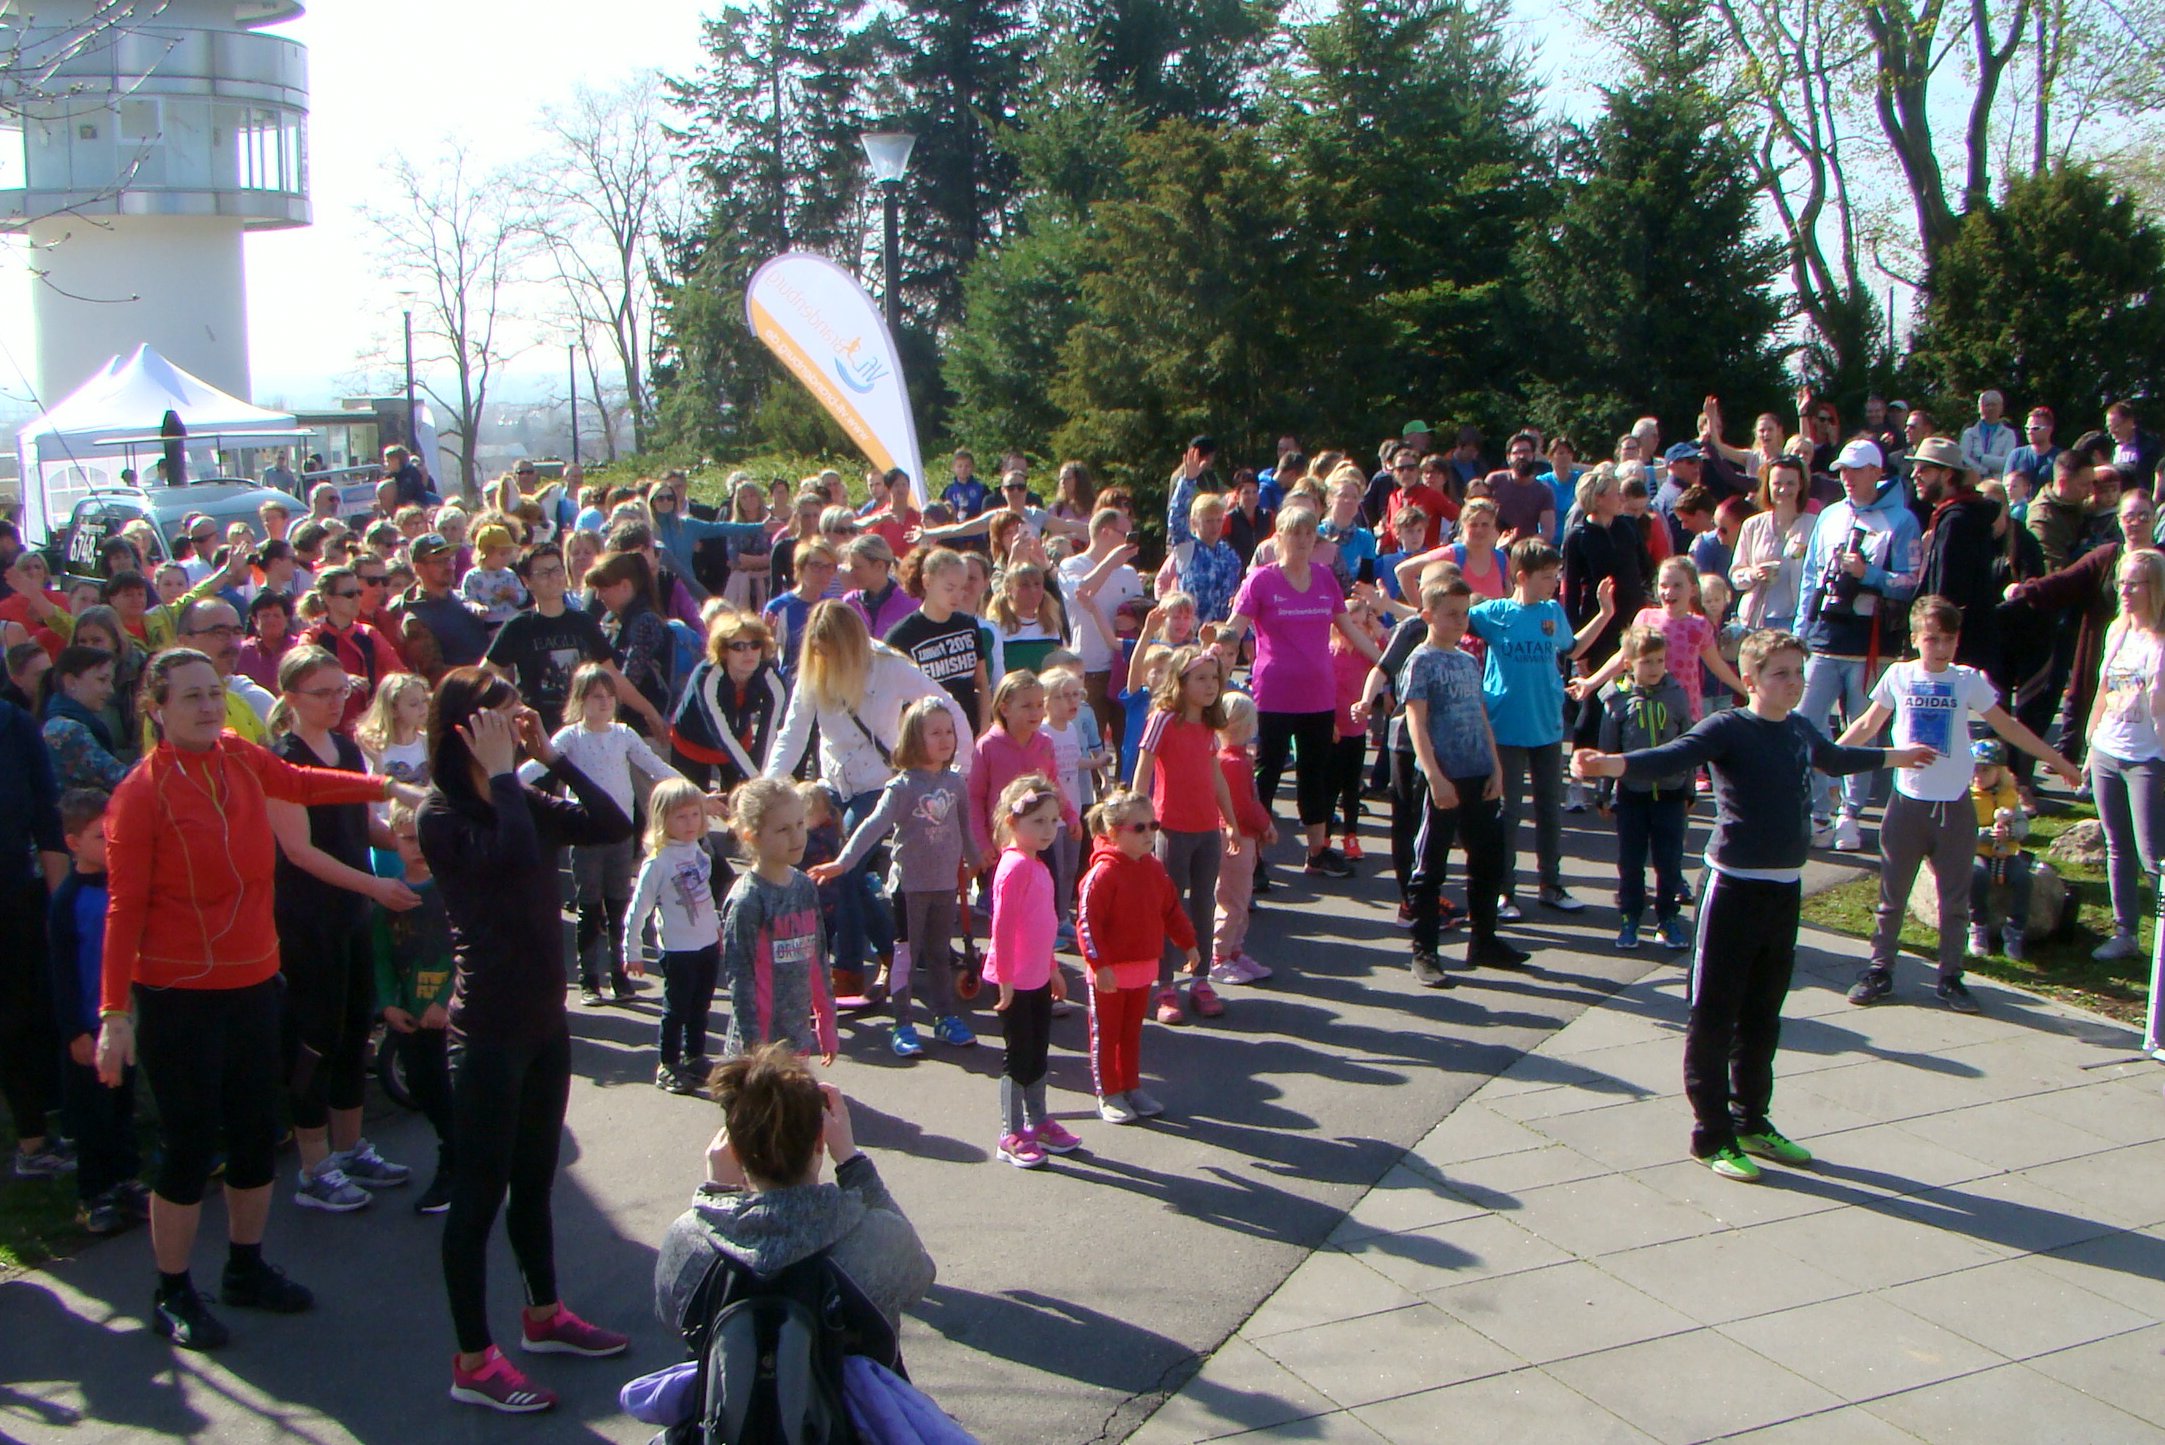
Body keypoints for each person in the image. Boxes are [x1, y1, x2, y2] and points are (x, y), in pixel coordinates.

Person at [96, 649, 404, 1350]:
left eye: (214, 692)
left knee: (254, 1130)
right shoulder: (140, 793)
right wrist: (113, 1013)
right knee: (189, 1142)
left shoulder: (237, 753)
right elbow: (123, 908)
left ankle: (245, 1267)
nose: (209, 706)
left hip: (255, 980)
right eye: (190, 697)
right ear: (156, 709)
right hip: (178, 994)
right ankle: (173, 1290)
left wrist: (388, 786)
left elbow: (300, 782)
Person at [1573, 630, 1934, 1181]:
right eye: (1780, 673)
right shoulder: (1728, 728)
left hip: (1782, 890)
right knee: (1714, 1016)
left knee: (1763, 1016)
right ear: (1750, 680)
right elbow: (1671, 756)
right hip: (1732, 889)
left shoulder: (1799, 729)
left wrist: (1898, 755)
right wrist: (1607, 765)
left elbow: (1836, 758)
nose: (1794, 683)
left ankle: (1751, 1122)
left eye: (1798, 673)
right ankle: (1711, 1135)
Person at [418, 667, 634, 1412]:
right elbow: (508, 855)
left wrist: (553, 757)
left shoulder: (521, 796)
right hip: (488, 1034)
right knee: (478, 1200)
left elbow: (612, 823)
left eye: (520, 715)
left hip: (544, 1022)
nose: (517, 727)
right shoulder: (442, 816)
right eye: (502, 717)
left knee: (535, 1180)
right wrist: (509, 776)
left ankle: (544, 1315)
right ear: (464, 729)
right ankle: (473, 1361)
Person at [1833, 596, 2081, 1011]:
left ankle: (1950, 976)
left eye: (1949, 639)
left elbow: (2008, 726)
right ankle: (1879, 970)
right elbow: (1868, 723)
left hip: (1954, 807)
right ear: (1915, 638)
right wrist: (1827, 757)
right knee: (1891, 896)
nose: (1941, 648)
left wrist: (2057, 761)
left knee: (1955, 900)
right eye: (1932, 639)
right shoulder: (1899, 675)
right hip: (1907, 804)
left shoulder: (1966, 680)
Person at [653, 1050, 935, 1379]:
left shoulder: (689, 1239)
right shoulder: (873, 1237)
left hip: (732, 1410)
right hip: (853, 1409)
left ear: (733, 1150)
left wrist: (719, 1194)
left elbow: (670, 1316)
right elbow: (919, 1276)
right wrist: (852, 1161)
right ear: (820, 1141)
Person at [269, 647, 427, 1213]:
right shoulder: (282, 761)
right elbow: (299, 850)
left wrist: (416, 848)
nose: (337, 702)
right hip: (308, 919)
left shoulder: (345, 750)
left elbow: (362, 823)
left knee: (356, 1029)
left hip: (353, 911)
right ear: (292, 698)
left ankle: (351, 1145)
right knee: (316, 1037)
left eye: (343, 690)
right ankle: (314, 1167)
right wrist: (374, 886)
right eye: (323, 693)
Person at [1220, 507, 1381, 881]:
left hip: (1319, 696)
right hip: (1274, 694)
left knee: (1316, 775)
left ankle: (1317, 852)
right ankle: (1253, 857)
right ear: (1279, 538)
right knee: (1267, 775)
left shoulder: (1324, 577)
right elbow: (1234, 629)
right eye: (1295, 533)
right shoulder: (1261, 580)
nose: (1304, 540)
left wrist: (1387, 662)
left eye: (1310, 534)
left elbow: (1349, 630)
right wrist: (1213, 652)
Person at [809, 697, 976, 1057]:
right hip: (909, 888)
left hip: (945, 885)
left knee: (939, 954)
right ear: (914, 738)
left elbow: (965, 826)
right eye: (935, 732)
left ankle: (945, 1016)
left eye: (949, 731)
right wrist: (843, 862)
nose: (945, 739)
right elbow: (872, 826)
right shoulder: (901, 787)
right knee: (905, 956)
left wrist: (977, 859)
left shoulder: (955, 783)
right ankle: (903, 1022)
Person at [522, 663, 684, 1005]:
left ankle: (620, 975)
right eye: (597, 697)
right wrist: (499, 784)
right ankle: (589, 980)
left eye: (610, 696)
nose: (605, 702)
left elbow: (655, 767)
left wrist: (691, 791)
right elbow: (535, 767)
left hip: (621, 835)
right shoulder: (570, 737)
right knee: (589, 907)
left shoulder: (624, 734)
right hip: (585, 837)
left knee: (618, 905)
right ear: (580, 700)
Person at [1473, 539, 1615, 918]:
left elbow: (1573, 648)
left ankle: (1550, 884)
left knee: (1549, 808)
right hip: (1506, 727)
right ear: (1522, 577)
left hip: (1548, 725)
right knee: (1508, 812)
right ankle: (1504, 890)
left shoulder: (1552, 612)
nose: (1555, 583)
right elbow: (1446, 616)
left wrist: (1604, 614)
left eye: (1556, 576)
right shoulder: (1494, 613)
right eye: (1548, 577)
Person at [1795, 438, 1922, 851]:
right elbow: (1811, 577)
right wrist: (1800, 631)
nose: (1846, 478)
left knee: (1861, 729)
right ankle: (1818, 810)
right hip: (1823, 639)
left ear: (1875, 472)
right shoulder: (1830, 515)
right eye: (1842, 471)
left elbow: (1910, 582)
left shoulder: (1901, 520)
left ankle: (1850, 813)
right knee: (1805, 721)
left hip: (1870, 642)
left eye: (1855, 470)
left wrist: (1869, 575)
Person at [1400, 577, 1516, 984]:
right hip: (1443, 776)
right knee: (1430, 866)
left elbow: (1481, 715)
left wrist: (1496, 767)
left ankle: (1484, 940)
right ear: (1428, 615)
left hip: (1478, 771)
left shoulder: (1468, 660)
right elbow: (1416, 721)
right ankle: (1425, 951)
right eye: (1451, 614)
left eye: (1465, 614)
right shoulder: (1421, 660)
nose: (1460, 621)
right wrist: (1434, 775)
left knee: (1487, 860)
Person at [49, 787, 145, 1235]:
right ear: (73, 843)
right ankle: (94, 1194)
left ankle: (126, 1180)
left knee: (123, 1105)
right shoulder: (67, 901)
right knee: (92, 1114)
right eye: (99, 838)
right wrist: (75, 1031)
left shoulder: (123, 886)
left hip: (124, 1021)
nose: (111, 844)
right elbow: (62, 972)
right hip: (88, 1026)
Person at [1131, 645, 1240, 1025]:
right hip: (1171, 828)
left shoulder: (1209, 725)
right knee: (1169, 905)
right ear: (1181, 682)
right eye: (1201, 678)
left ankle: (1200, 979)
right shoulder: (1164, 718)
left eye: (1215, 679)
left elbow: (1216, 776)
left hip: (1206, 829)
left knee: (1203, 905)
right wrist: (1138, 821)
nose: (1210, 686)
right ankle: (1164, 985)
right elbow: (1144, 769)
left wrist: (1231, 821)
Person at [1077, 784, 1196, 1125]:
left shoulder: (1153, 869)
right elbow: (1088, 923)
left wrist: (1188, 943)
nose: (1149, 834)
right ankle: (1108, 1093)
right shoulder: (1102, 874)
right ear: (1114, 833)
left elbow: (1171, 909)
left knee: (1131, 1034)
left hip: (1142, 970)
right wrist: (1099, 965)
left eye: (1153, 826)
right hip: (1109, 974)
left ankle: (1131, 1086)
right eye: (1139, 828)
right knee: (1107, 1035)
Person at [371, 799, 457, 1214]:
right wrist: (388, 1004)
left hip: (450, 1016)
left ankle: (455, 1161)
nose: (418, 848)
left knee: (454, 1088)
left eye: (424, 839)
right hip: (409, 1014)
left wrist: (446, 1001)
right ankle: (458, 1150)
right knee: (421, 1087)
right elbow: (382, 956)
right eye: (408, 839)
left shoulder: (451, 890)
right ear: (394, 841)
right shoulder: (389, 895)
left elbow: (464, 953)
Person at [985, 775, 1073, 1168]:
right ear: (1012, 822)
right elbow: (1002, 928)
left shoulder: (1039, 866)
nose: (1048, 830)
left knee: (1038, 1052)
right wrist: (1005, 980)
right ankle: (1011, 1132)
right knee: (1018, 1056)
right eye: (1038, 821)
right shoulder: (1014, 867)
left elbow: (1045, 926)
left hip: (1036, 977)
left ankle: (1039, 1122)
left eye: (1053, 821)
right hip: (1014, 981)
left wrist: (1052, 967)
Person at [717, 777, 836, 1063]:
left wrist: (826, 1022)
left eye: (800, 824)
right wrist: (754, 1050)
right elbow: (740, 981)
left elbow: (818, 959)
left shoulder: (804, 887)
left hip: (797, 1039)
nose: (797, 837)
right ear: (752, 837)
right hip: (759, 1047)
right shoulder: (748, 900)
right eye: (783, 829)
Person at [2083, 549, 2165, 963]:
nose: (2126, 591)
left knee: (2153, 853)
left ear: (2156, 588)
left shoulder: (2160, 641)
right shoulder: (2117, 631)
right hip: (2108, 749)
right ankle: (2125, 932)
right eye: (2122, 583)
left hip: (2149, 757)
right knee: (2117, 845)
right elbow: (2103, 691)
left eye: (2135, 584)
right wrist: (2090, 744)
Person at [1592, 628, 1694, 952]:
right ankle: (1630, 917)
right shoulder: (1617, 701)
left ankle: (1668, 918)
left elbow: (1689, 744)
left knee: (1669, 861)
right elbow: (1608, 749)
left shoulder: (1676, 695)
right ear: (1629, 664)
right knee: (1631, 861)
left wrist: (1689, 788)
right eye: (1646, 662)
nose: (1654, 668)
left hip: (1671, 794)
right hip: (1632, 796)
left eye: (1659, 661)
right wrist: (1603, 792)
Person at [624, 779, 725, 1096]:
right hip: (679, 949)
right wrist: (632, 950)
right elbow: (638, 909)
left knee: (701, 1005)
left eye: (695, 814)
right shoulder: (659, 862)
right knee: (676, 1010)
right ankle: (668, 1064)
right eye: (681, 817)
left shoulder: (699, 851)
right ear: (662, 819)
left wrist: (717, 927)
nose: (690, 823)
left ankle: (695, 1057)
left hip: (706, 943)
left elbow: (705, 896)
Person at [669, 611, 788, 791]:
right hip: (691, 743)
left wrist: (758, 779)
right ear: (724, 651)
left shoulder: (772, 679)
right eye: (738, 647)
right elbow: (721, 734)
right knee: (692, 801)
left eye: (755, 645)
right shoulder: (707, 677)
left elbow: (769, 732)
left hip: (739, 742)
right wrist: (755, 779)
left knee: (744, 797)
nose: (748, 653)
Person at [584, 549, 675, 738]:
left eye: (603, 589)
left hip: (645, 730)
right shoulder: (611, 619)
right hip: (620, 727)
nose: (598, 596)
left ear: (625, 586)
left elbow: (631, 677)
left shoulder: (646, 622)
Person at [1965, 740, 2033, 962]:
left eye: (1986, 770)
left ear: (2000, 772)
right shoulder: (1966, 796)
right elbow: (1959, 830)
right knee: (1977, 875)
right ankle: (1977, 925)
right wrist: (1985, 834)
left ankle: (2014, 929)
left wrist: (2010, 832)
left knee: (2023, 878)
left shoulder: (2009, 796)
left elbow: (2023, 825)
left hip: (2005, 852)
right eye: (1975, 769)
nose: (1979, 775)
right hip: (1977, 851)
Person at [1728, 456, 1812, 633]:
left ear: (1801, 485)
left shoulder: (1814, 525)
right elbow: (1735, 575)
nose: (1783, 489)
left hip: (1795, 619)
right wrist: (1753, 573)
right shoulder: (1752, 525)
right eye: (1777, 483)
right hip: (1755, 619)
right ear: (1768, 486)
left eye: (1790, 483)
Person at [393, 534, 493, 679]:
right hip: (464, 688)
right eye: (439, 562)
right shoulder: (417, 619)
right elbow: (434, 673)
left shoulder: (462, 599)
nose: (449, 566)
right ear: (419, 569)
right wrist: (484, 673)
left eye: (450, 559)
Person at [40, 646, 128, 792]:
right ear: (71, 682)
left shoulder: (62, 723)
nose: (110, 690)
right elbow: (122, 779)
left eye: (111, 681)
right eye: (102, 680)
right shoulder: (67, 731)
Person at [1959, 389, 2017, 481]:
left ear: (2001, 408)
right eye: (1987, 405)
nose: (1990, 408)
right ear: (1979, 408)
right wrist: (1983, 471)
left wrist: (1981, 458)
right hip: (1973, 481)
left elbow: (2007, 462)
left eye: (1994, 404)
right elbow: (1964, 458)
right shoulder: (1969, 433)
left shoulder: (2009, 434)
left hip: (1998, 483)